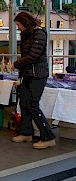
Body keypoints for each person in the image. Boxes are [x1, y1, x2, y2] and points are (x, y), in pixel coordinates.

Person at [12, 11, 56, 149]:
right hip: (28, 74)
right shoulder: (27, 35)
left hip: (38, 75)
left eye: (18, 25)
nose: (18, 28)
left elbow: (33, 56)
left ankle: (48, 136)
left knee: (32, 104)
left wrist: (16, 64)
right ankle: (26, 132)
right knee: (24, 103)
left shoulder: (39, 34)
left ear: (24, 22)